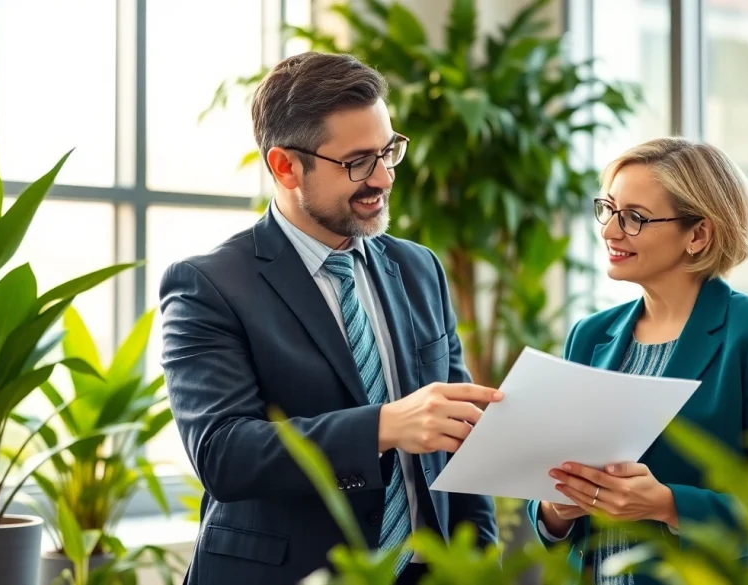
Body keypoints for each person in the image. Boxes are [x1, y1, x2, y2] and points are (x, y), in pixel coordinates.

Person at [159, 52, 501, 585]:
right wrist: (385, 426)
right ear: (285, 166)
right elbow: (224, 453)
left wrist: (481, 563)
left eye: (389, 151)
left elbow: (460, 434)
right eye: (358, 161)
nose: (383, 177)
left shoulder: (419, 268)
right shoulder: (209, 285)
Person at [526, 137, 748, 584]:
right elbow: (561, 509)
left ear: (698, 234)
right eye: (609, 209)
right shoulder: (590, 335)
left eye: (634, 218)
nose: (609, 231)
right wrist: (554, 510)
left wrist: (666, 504)